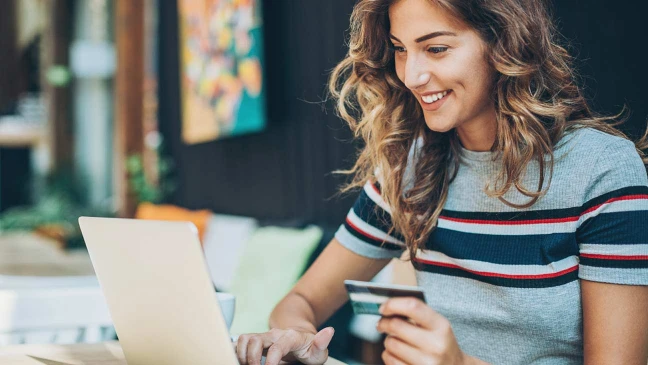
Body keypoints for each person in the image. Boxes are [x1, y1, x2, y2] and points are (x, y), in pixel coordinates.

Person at [236, 0, 648, 364]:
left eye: (436, 48)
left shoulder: (602, 170)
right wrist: (298, 337)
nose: (412, 76)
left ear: (504, 44)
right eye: (400, 49)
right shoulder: (409, 171)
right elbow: (300, 301)